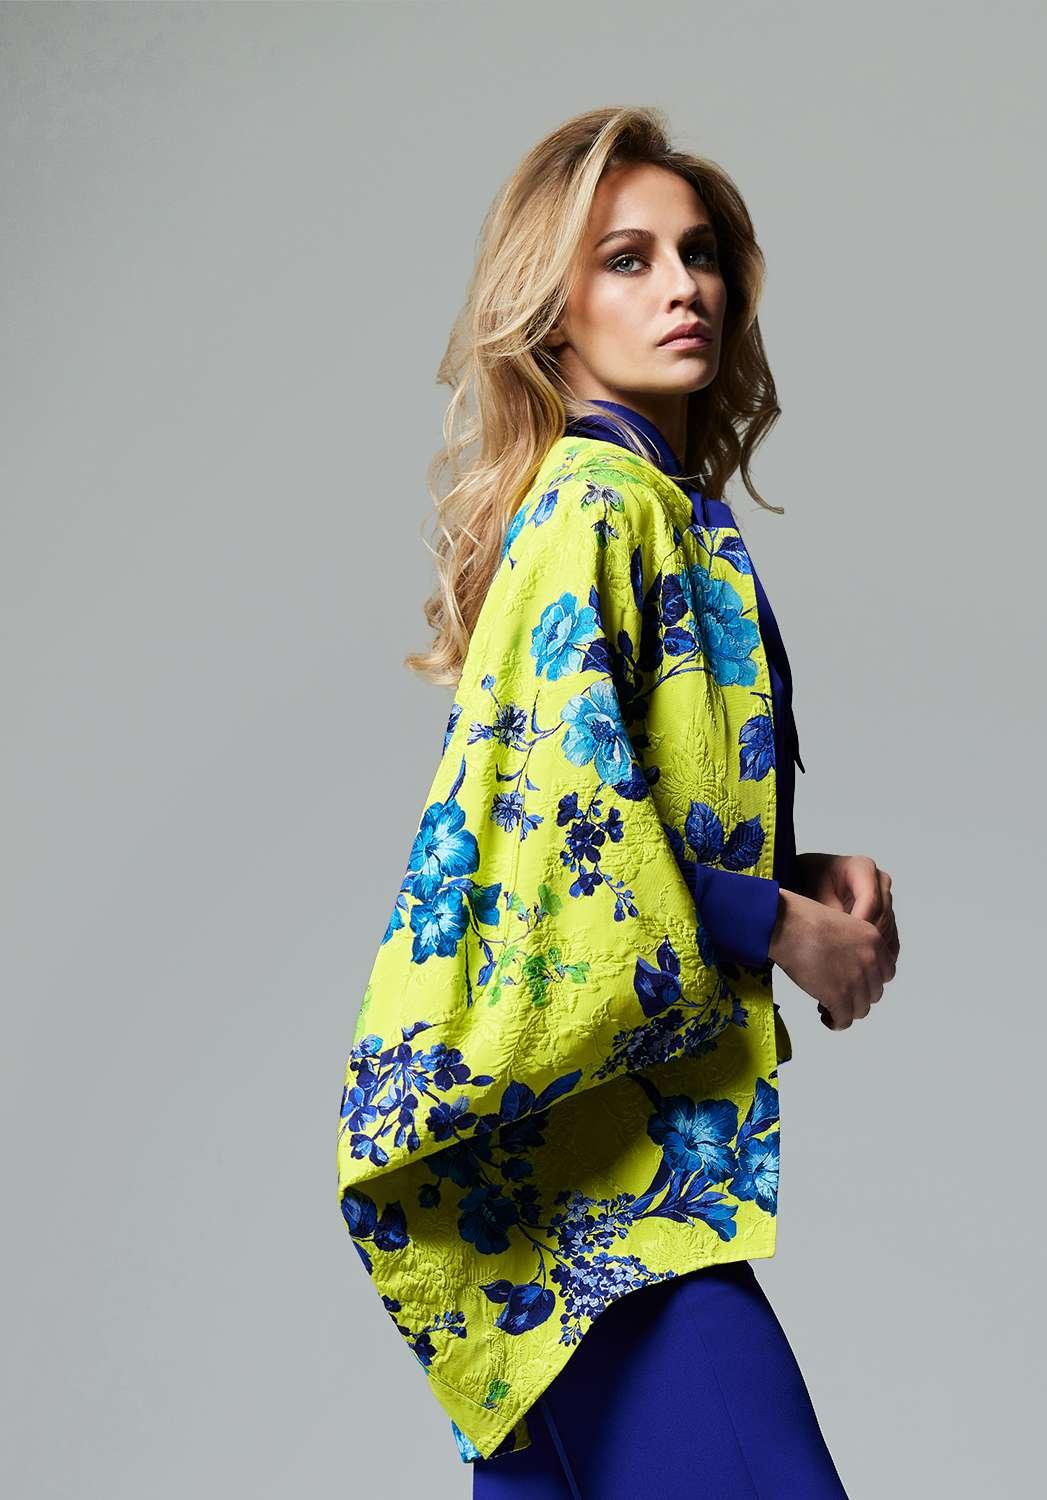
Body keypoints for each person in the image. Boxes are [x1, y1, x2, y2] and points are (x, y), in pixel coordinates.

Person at [334, 106, 898, 1496]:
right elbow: (563, 853)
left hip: (585, 1192)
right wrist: (781, 928)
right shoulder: (598, 506)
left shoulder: (655, 507)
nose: (682, 286)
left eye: (698, 254)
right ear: (552, 310)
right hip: (599, 1198)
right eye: (627, 260)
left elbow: (616, 807)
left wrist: (796, 876)